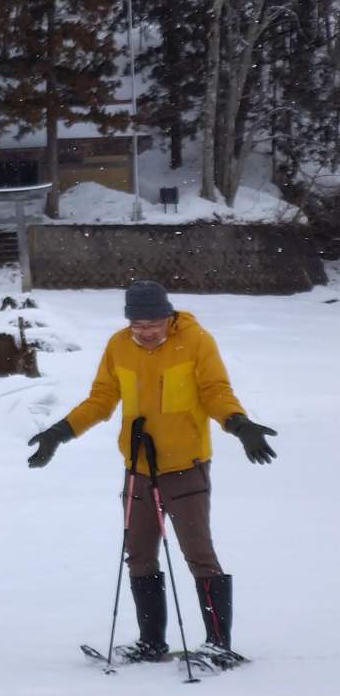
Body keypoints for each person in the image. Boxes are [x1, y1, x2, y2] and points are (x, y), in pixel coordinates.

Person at [26, 280, 277, 666]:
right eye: (137, 325)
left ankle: (218, 645)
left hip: (185, 466)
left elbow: (214, 390)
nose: (144, 332)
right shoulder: (118, 345)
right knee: (139, 555)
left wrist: (239, 425)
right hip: (137, 468)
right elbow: (101, 398)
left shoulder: (196, 341)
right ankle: (151, 642)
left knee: (199, 554)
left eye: (153, 323)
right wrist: (61, 432)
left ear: (168, 316)